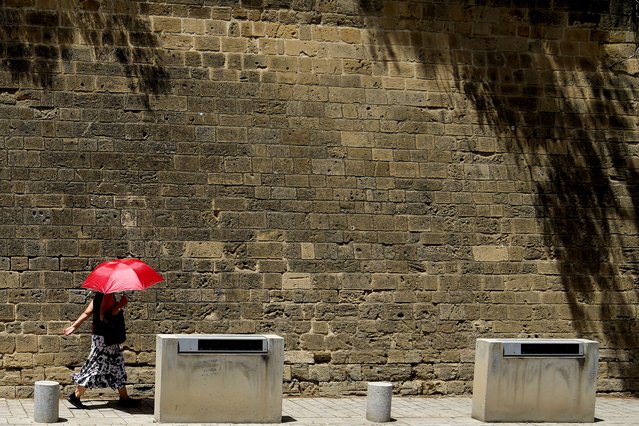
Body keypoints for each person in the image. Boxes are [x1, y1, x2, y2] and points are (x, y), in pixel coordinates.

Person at [63, 291, 139, 409]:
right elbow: (104, 316)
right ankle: (75, 395)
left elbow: (87, 312)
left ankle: (124, 398)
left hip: (103, 337)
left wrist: (74, 326)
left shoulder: (99, 294)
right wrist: (120, 305)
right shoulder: (107, 294)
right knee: (96, 367)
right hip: (105, 339)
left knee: (117, 365)